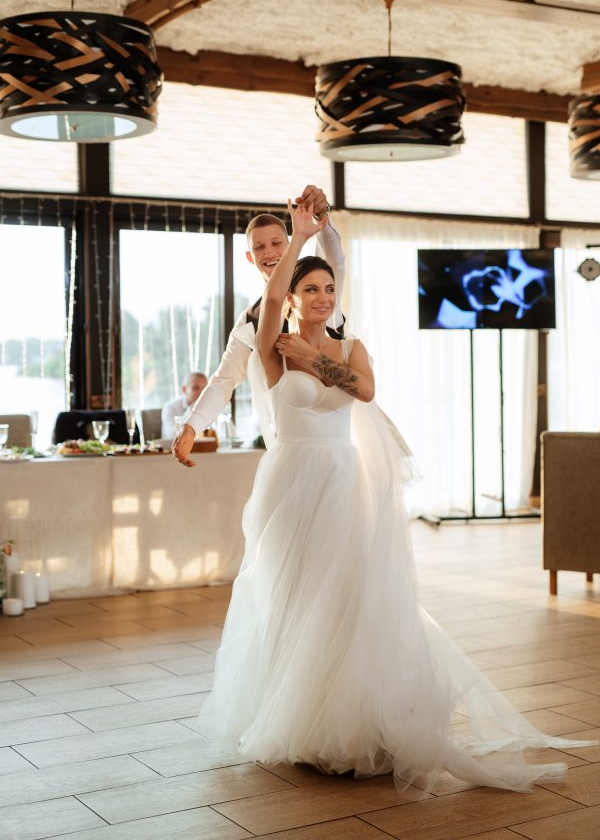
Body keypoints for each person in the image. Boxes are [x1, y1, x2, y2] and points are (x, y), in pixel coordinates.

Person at [196, 200, 595, 794]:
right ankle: (300, 718)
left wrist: (318, 256)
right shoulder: (270, 341)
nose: (323, 296)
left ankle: (356, 722)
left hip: (341, 483)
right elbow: (272, 305)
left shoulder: (347, 344)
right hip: (287, 485)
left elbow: (364, 389)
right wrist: (301, 247)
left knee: (350, 595)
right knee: (294, 595)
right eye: (312, 289)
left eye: (330, 288)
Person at [172, 184, 344, 465]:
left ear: (291, 246)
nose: (270, 252)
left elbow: (336, 259)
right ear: (250, 258)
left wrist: (322, 215)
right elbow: (224, 380)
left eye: (277, 243)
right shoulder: (250, 321)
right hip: (290, 445)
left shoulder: (321, 297)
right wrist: (192, 425)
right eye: (259, 247)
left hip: (335, 437)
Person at [161, 372, 208, 439]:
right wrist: (194, 407)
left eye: (205, 388)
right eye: (195, 388)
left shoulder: (208, 408)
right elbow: (171, 436)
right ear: (184, 389)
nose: (201, 392)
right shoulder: (170, 407)